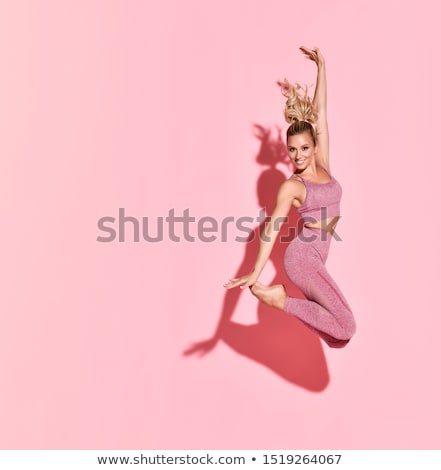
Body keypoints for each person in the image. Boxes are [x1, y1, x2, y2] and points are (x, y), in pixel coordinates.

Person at [224, 46, 356, 348]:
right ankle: (281, 300)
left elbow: (321, 114)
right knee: (347, 324)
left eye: (304, 148)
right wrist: (255, 271)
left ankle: (282, 300)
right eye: (292, 150)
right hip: (303, 257)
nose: (298, 155)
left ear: (314, 146)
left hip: (320, 255)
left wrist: (322, 68)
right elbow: (272, 228)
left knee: (339, 336)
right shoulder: (292, 186)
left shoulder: (323, 166)